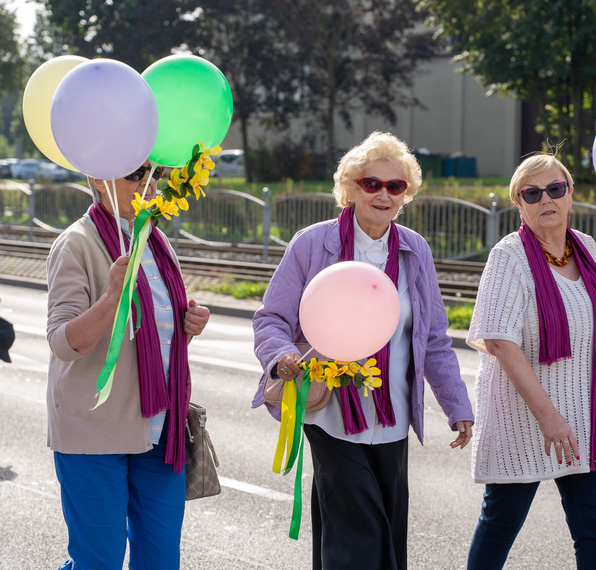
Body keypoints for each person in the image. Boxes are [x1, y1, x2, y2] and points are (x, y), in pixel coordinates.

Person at [252, 131, 474, 570]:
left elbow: (433, 338)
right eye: (372, 183)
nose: (384, 194)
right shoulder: (312, 244)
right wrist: (281, 356)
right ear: (350, 188)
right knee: (361, 534)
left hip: (390, 419)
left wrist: (457, 405)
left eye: (396, 186)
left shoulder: (415, 252)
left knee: (377, 532)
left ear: (405, 194)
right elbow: (270, 318)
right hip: (329, 412)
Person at [464, 152, 596, 569]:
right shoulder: (508, 257)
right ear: (519, 204)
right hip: (523, 419)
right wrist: (548, 416)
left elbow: (582, 318)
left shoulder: (585, 247)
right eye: (532, 193)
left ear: (570, 195)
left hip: (585, 419)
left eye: (555, 189)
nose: (545, 199)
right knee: (500, 526)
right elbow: (500, 342)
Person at [46, 161, 211, 569]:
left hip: (160, 431)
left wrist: (189, 324)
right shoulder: (77, 243)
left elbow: (153, 337)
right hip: (95, 431)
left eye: (153, 173)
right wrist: (109, 298)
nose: (150, 182)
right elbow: (64, 343)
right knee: (97, 561)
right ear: (99, 181)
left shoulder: (156, 241)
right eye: (136, 174)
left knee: (159, 561)